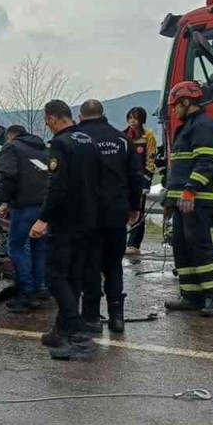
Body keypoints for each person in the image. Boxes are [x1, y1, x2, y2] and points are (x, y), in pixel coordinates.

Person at [29, 101, 100, 360]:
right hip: (89, 219)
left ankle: (79, 336)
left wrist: (43, 219)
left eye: (47, 122)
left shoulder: (61, 144)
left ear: (51, 119)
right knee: (74, 277)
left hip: (66, 221)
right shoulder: (88, 141)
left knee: (55, 276)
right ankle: (60, 331)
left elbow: (57, 187)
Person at [163, 82, 213, 317]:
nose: (173, 110)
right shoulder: (188, 127)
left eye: (175, 105)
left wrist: (190, 190)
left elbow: (206, 162)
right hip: (183, 199)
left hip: (198, 198)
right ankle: (192, 295)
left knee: (199, 245)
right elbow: (180, 166)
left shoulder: (205, 126)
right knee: (182, 246)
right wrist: (170, 198)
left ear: (186, 102)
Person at [77, 100, 142, 334]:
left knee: (90, 264)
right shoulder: (122, 140)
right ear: (102, 114)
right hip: (117, 211)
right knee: (113, 264)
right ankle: (117, 318)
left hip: (86, 213)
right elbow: (136, 176)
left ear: (81, 117)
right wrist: (135, 207)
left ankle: (92, 318)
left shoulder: (76, 138)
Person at [0, 124, 50, 311]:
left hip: (23, 206)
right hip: (43, 207)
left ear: (10, 136)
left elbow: (8, 175)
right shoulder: (42, 149)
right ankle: (39, 286)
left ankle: (26, 294)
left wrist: (4, 202)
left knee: (17, 248)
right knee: (38, 248)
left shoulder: (11, 147)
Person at [124, 106, 158, 256]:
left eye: (135, 118)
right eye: (130, 117)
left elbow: (151, 159)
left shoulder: (148, 136)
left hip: (140, 180)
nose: (132, 121)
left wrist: (146, 181)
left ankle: (134, 243)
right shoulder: (123, 135)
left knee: (138, 211)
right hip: (124, 180)